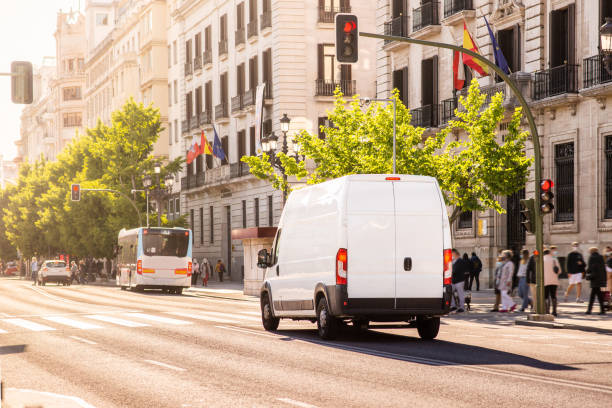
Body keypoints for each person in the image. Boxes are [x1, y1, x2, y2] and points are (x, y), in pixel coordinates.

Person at [585, 247, 607, 315]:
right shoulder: (601, 257)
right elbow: (603, 268)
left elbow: (590, 268)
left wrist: (587, 273)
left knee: (593, 296)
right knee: (599, 295)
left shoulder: (591, 257)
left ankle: (589, 310)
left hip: (594, 279)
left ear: (591, 251)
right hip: (600, 278)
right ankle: (602, 310)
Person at [543, 248, 561, 316]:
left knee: (546, 296)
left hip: (545, 281)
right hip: (554, 280)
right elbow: (559, 271)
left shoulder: (542, 260)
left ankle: (547, 311)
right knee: (553, 296)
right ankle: (554, 311)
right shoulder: (554, 259)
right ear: (549, 253)